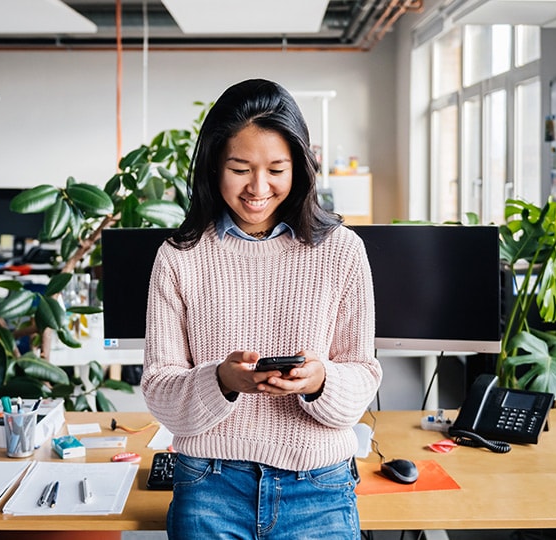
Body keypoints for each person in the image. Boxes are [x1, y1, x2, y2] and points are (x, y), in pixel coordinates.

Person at [141, 78, 382, 539]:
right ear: (214, 166)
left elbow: (364, 373)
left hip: (318, 487)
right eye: (240, 168)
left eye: (276, 168)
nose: (258, 187)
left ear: (300, 169)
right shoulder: (178, 256)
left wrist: (321, 380)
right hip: (209, 484)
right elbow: (159, 390)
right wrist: (222, 380)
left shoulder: (342, 250)